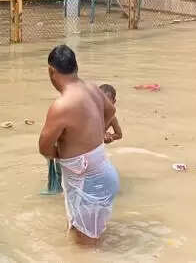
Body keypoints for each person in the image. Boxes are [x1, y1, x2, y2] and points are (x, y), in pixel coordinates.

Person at [39, 45, 120, 245]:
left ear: (52, 71)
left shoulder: (61, 105)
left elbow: (44, 147)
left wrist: (60, 153)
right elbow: (110, 111)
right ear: (76, 67)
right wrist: (96, 134)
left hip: (90, 184)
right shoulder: (92, 88)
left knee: (86, 251)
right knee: (83, 241)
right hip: (101, 176)